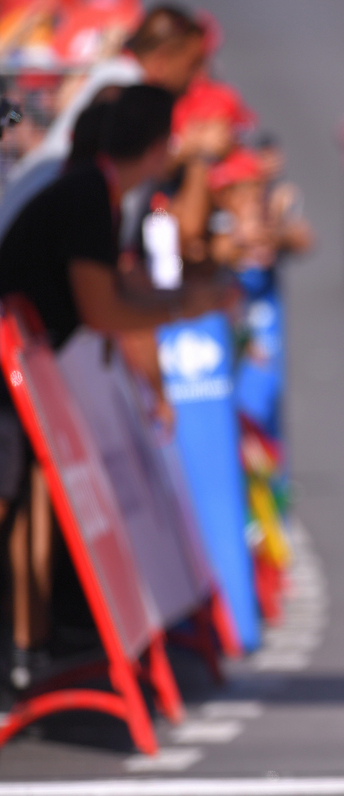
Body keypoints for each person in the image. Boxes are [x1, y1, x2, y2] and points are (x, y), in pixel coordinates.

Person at [0, 84, 237, 687]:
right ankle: (26, 647)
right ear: (159, 147)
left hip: (29, 369)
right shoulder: (88, 194)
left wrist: (185, 299)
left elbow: (118, 292)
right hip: (14, 369)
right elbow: (104, 308)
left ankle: (30, 646)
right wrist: (187, 306)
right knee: (15, 503)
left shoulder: (94, 192)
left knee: (32, 499)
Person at [0, 4, 206, 239]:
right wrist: (191, 150)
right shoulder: (123, 86)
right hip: (43, 221)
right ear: (162, 60)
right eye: (192, 64)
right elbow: (128, 153)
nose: (197, 77)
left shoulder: (122, 79)